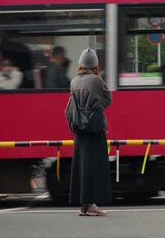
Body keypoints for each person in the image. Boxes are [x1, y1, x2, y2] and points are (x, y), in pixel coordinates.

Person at [68, 48, 112, 216]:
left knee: (82, 167)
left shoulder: (74, 81)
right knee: (95, 166)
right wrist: (95, 106)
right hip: (94, 128)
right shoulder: (96, 80)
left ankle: (84, 205)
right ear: (94, 64)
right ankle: (92, 206)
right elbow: (108, 100)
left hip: (80, 129)